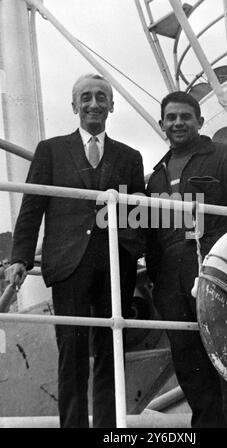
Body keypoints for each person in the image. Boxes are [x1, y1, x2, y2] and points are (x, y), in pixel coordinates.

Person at [6, 74, 145, 428]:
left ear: (112, 106)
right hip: (69, 263)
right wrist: (20, 258)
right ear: (74, 106)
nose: (94, 103)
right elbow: (32, 207)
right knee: (71, 352)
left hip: (115, 265)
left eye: (101, 97)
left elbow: (136, 214)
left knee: (111, 350)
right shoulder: (50, 151)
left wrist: (132, 252)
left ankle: (108, 430)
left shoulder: (130, 157)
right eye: (86, 97)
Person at [145, 91, 227, 428]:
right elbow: (154, 238)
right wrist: (160, 285)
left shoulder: (225, 159)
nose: (178, 123)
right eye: (171, 118)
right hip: (173, 285)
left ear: (199, 121)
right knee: (192, 373)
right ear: (162, 124)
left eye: (185, 117)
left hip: (220, 277)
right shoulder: (156, 176)